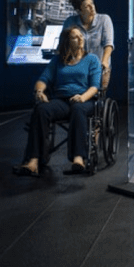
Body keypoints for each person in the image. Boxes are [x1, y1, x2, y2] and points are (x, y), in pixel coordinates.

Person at [13, 26, 101, 177]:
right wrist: (40, 91)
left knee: (78, 109)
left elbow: (94, 87)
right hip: (61, 101)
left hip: (85, 100)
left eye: (81, 36)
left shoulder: (92, 59)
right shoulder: (57, 61)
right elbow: (43, 79)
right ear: (67, 41)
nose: (80, 39)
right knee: (41, 109)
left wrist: (82, 97)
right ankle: (33, 160)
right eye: (75, 37)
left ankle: (78, 158)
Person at [62, 0, 114, 90]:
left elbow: (108, 44)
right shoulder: (70, 22)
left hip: (98, 69)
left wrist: (105, 61)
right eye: (87, 6)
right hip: (76, 68)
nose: (92, 7)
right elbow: (64, 45)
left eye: (92, 4)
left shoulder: (104, 20)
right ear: (79, 11)